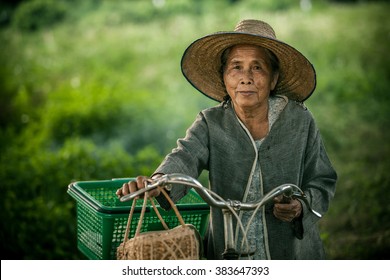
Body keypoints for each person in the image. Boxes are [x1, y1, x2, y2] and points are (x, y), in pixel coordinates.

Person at [116, 19, 337, 260]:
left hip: (291, 253)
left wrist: (300, 206)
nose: (246, 78)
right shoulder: (211, 122)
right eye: (236, 67)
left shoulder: (300, 121)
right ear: (224, 77)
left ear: (273, 79)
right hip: (227, 250)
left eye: (257, 67)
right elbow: (184, 156)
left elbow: (322, 179)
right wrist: (157, 183)